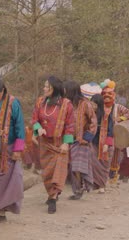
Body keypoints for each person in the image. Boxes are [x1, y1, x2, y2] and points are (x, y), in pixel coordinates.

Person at [0, 75, 25, 223]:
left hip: (8, 149)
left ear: (2, 91)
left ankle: (2, 212)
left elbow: (20, 127)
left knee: (8, 182)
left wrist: (17, 150)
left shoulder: (13, 103)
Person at [32, 76, 74, 214]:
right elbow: (34, 119)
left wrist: (66, 143)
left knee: (58, 172)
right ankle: (51, 194)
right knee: (47, 173)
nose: (44, 89)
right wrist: (38, 128)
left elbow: (70, 125)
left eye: (46, 86)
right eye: (44, 86)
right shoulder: (40, 102)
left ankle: (53, 197)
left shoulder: (67, 104)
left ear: (54, 88)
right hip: (45, 143)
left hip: (59, 144)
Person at [63, 80, 97, 200]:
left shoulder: (85, 104)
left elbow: (93, 121)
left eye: (66, 90)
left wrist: (86, 138)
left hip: (81, 141)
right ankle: (78, 189)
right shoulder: (66, 104)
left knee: (77, 167)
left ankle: (80, 189)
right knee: (73, 167)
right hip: (68, 140)